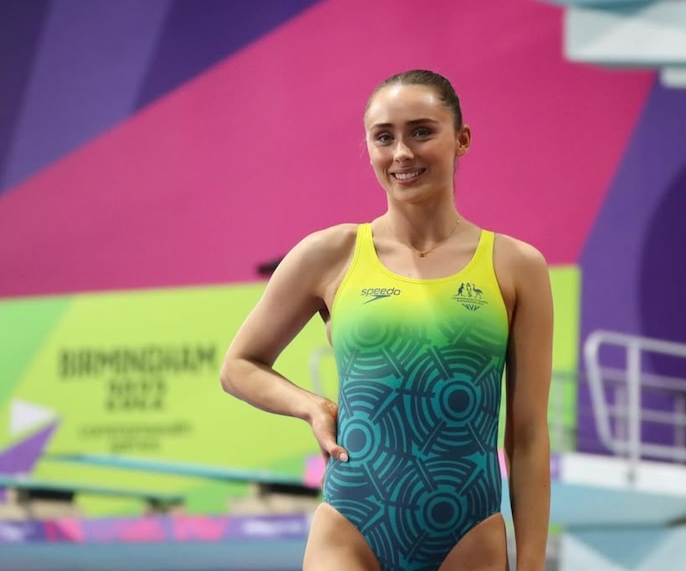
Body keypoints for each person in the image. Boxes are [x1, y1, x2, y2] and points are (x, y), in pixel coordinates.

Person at [220, 69, 553, 571]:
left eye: (421, 131)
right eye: (384, 137)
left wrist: (530, 564)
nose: (402, 153)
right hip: (351, 526)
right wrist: (311, 406)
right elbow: (239, 365)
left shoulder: (516, 267)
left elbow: (526, 436)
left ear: (461, 139)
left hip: (470, 535)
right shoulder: (329, 254)